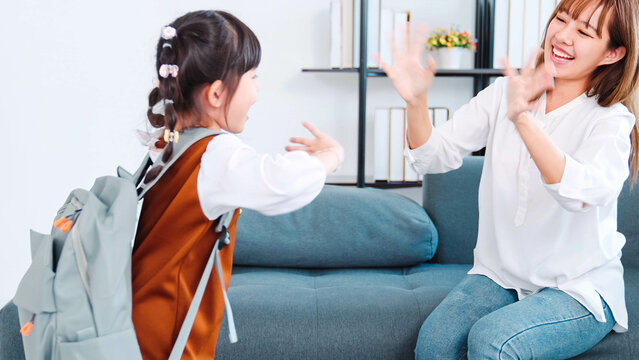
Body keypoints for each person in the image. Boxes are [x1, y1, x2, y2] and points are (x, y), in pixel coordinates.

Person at [377, 0, 639, 358]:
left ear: (613, 53)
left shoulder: (610, 120)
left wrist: (523, 121)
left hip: (579, 289)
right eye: (561, 20)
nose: (562, 36)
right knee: (435, 344)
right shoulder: (504, 92)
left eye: (583, 31)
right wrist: (417, 101)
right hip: (500, 277)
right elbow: (433, 156)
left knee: (494, 340)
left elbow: (581, 194)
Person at [132, 10, 344, 359]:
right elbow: (281, 184)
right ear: (216, 94)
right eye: (253, 77)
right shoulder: (213, 154)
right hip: (170, 335)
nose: (257, 91)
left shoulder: (171, 143)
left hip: (146, 320)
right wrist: (333, 155)